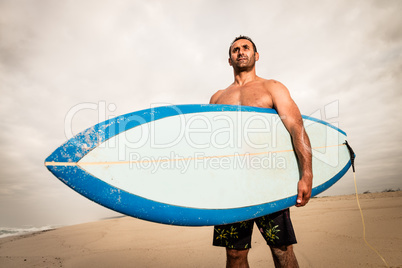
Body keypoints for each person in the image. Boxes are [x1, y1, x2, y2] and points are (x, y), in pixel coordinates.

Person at [210, 36, 313, 268]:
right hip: (232, 187)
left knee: (281, 251)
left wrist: (306, 173)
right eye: (235, 49)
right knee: (235, 255)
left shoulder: (272, 87)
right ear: (229, 60)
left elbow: (296, 128)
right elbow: (212, 147)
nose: (240, 52)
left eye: (246, 48)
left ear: (256, 56)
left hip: (269, 183)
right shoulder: (217, 98)